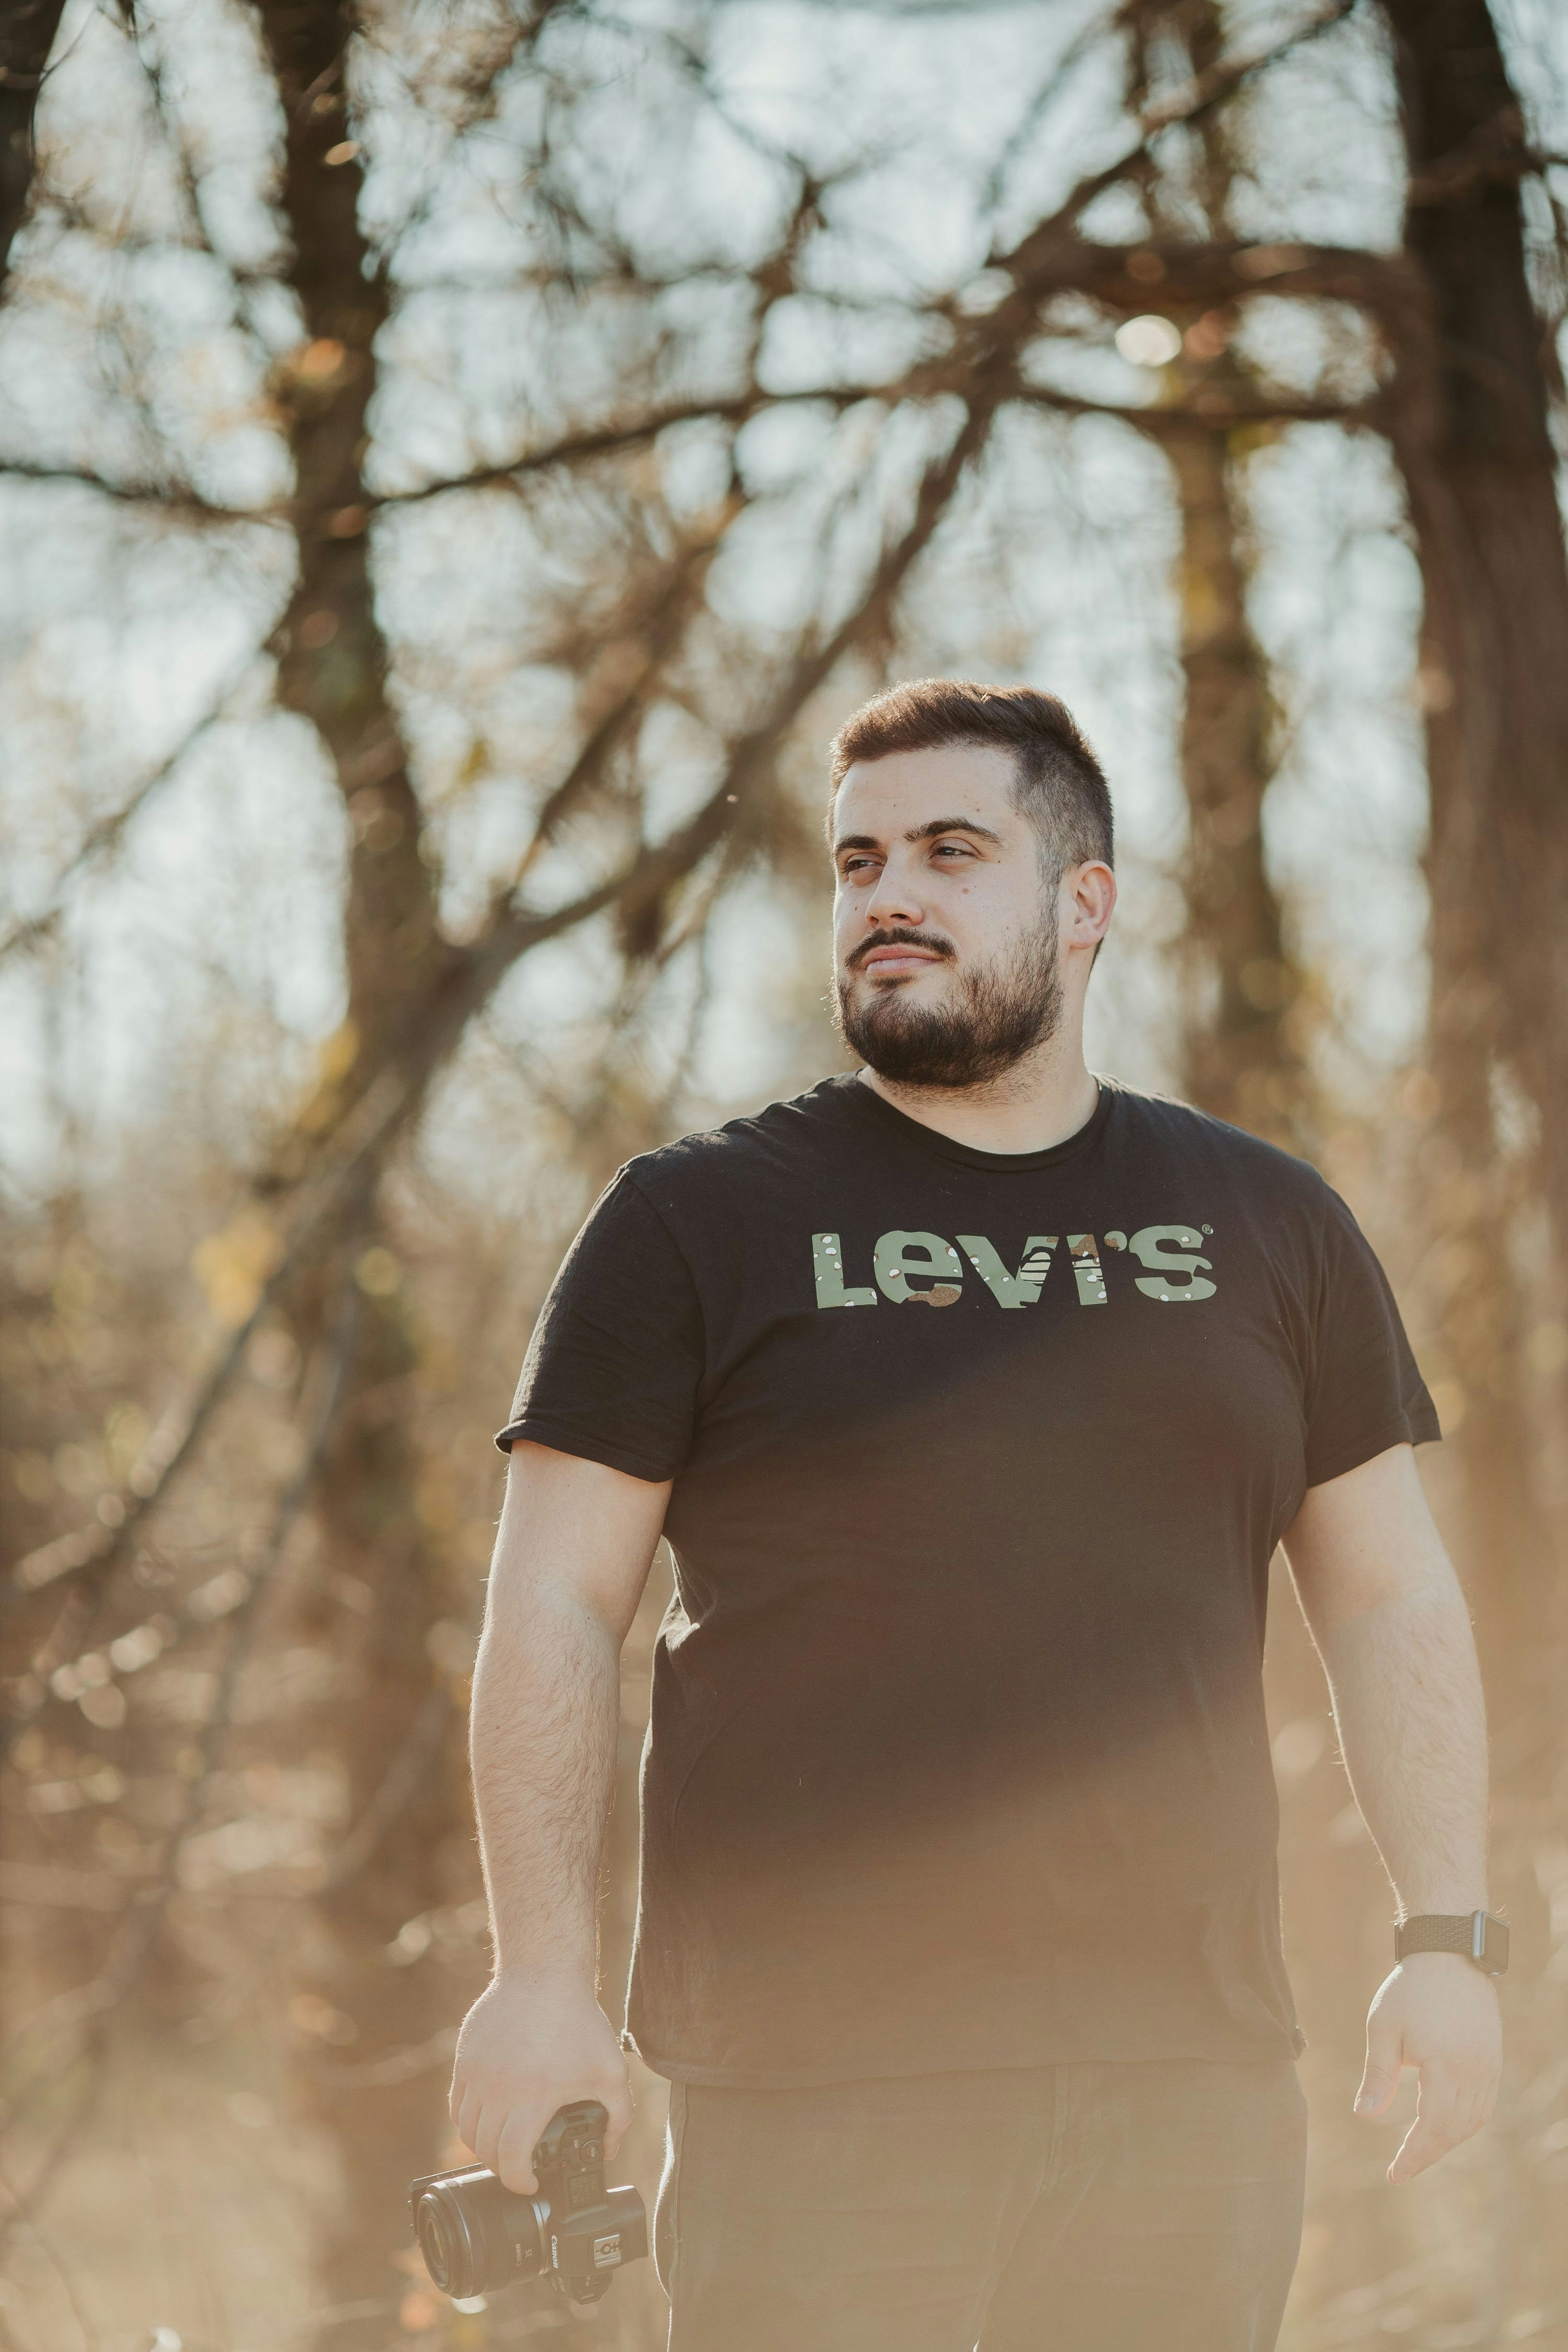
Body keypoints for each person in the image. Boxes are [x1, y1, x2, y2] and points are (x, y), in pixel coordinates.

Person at [449, 681, 1503, 2352]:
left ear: (1086, 903)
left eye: (951, 850)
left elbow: (1390, 1599)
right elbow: (555, 1605)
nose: (890, 895)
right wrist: (540, 1975)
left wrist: (1447, 1934)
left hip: (1191, 2078)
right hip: (813, 2085)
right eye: (859, 860)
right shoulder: (692, 1225)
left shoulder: (1269, 1222)